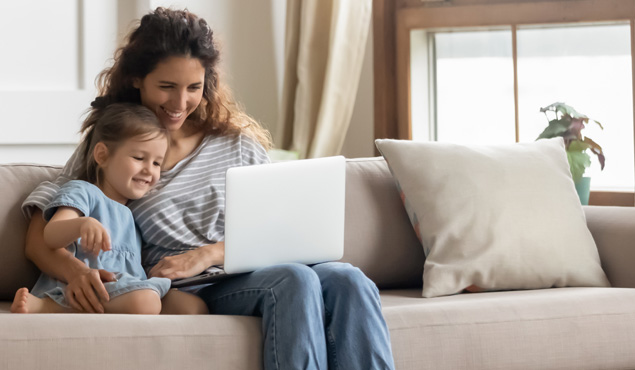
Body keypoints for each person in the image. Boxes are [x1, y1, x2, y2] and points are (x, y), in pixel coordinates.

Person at [22, 7, 395, 369]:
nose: (179, 103)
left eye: (194, 87)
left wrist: (209, 253)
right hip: (190, 287)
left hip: (247, 265)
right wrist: (76, 273)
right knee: (292, 280)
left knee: (349, 278)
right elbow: (41, 236)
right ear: (137, 79)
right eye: (166, 86)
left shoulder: (238, 144)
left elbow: (277, 232)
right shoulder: (117, 147)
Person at [12, 103, 173, 314]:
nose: (148, 170)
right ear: (102, 155)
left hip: (121, 289)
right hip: (74, 290)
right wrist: (82, 224)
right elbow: (50, 235)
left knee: (192, 306)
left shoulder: (131, 214)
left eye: (157, 163)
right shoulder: (83, 191)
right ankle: (47, 306)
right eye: (139, 158)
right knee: (146, 303)